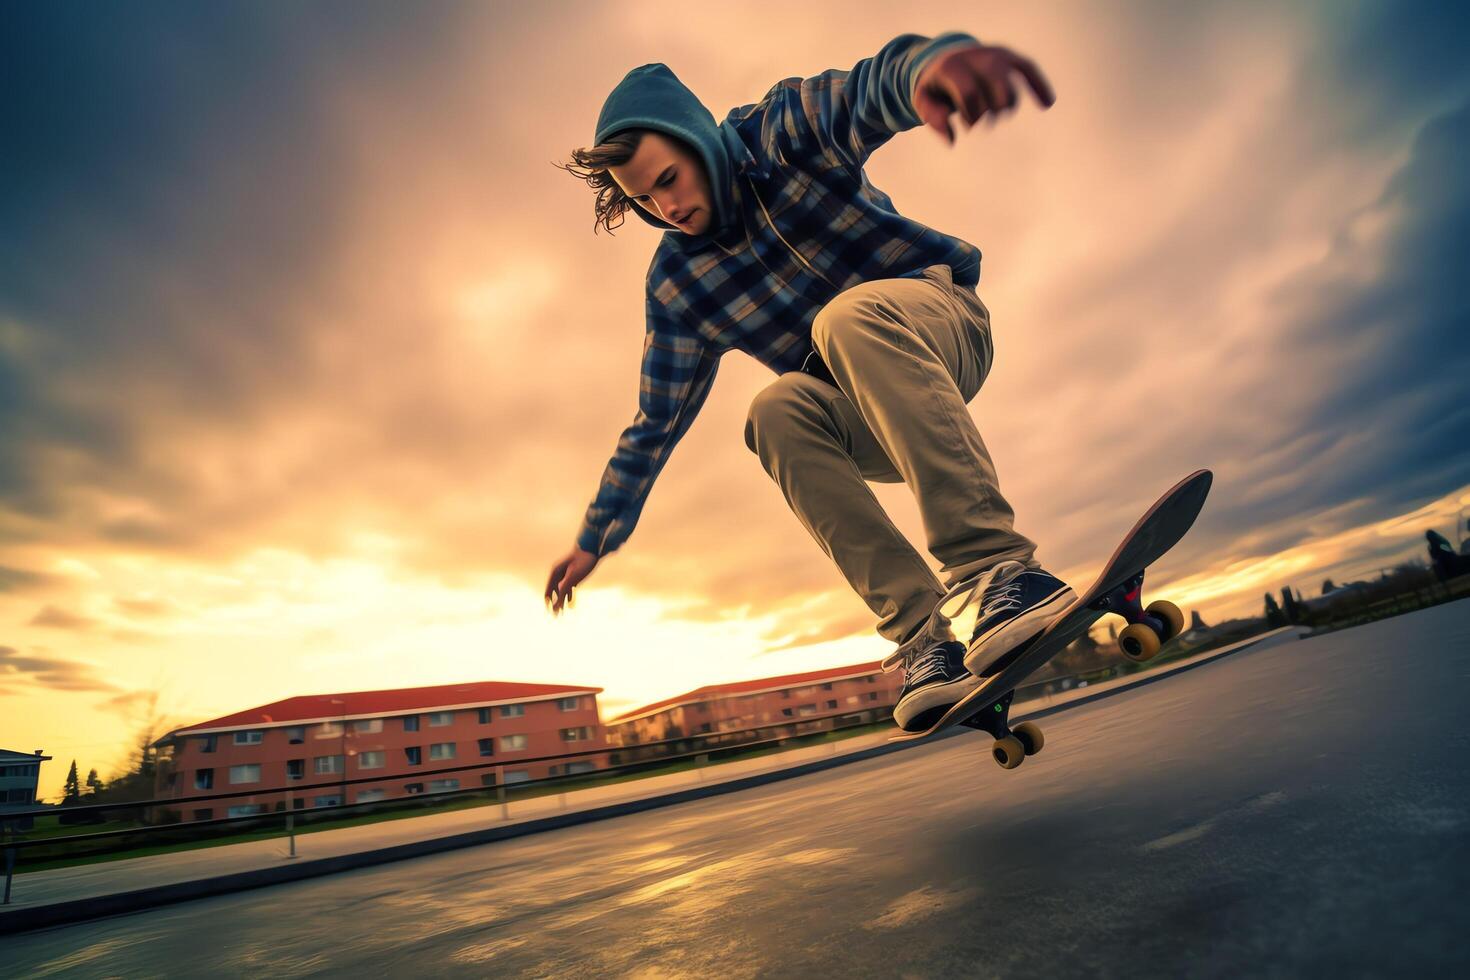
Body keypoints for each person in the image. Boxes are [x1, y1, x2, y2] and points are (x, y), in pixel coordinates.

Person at [546, 31, 1074, 732]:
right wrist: (595, 536)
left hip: (942, 328)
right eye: (644, 201)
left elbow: (869, 89)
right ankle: (924, 640)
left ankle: (1000, 571)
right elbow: (655, 421)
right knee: (773, 411)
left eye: (668, 179)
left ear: (697, 141)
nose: (664, 209)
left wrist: (931, 70)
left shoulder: (782, 132)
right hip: (870, 421)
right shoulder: (678, 285)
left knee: (846, 318)